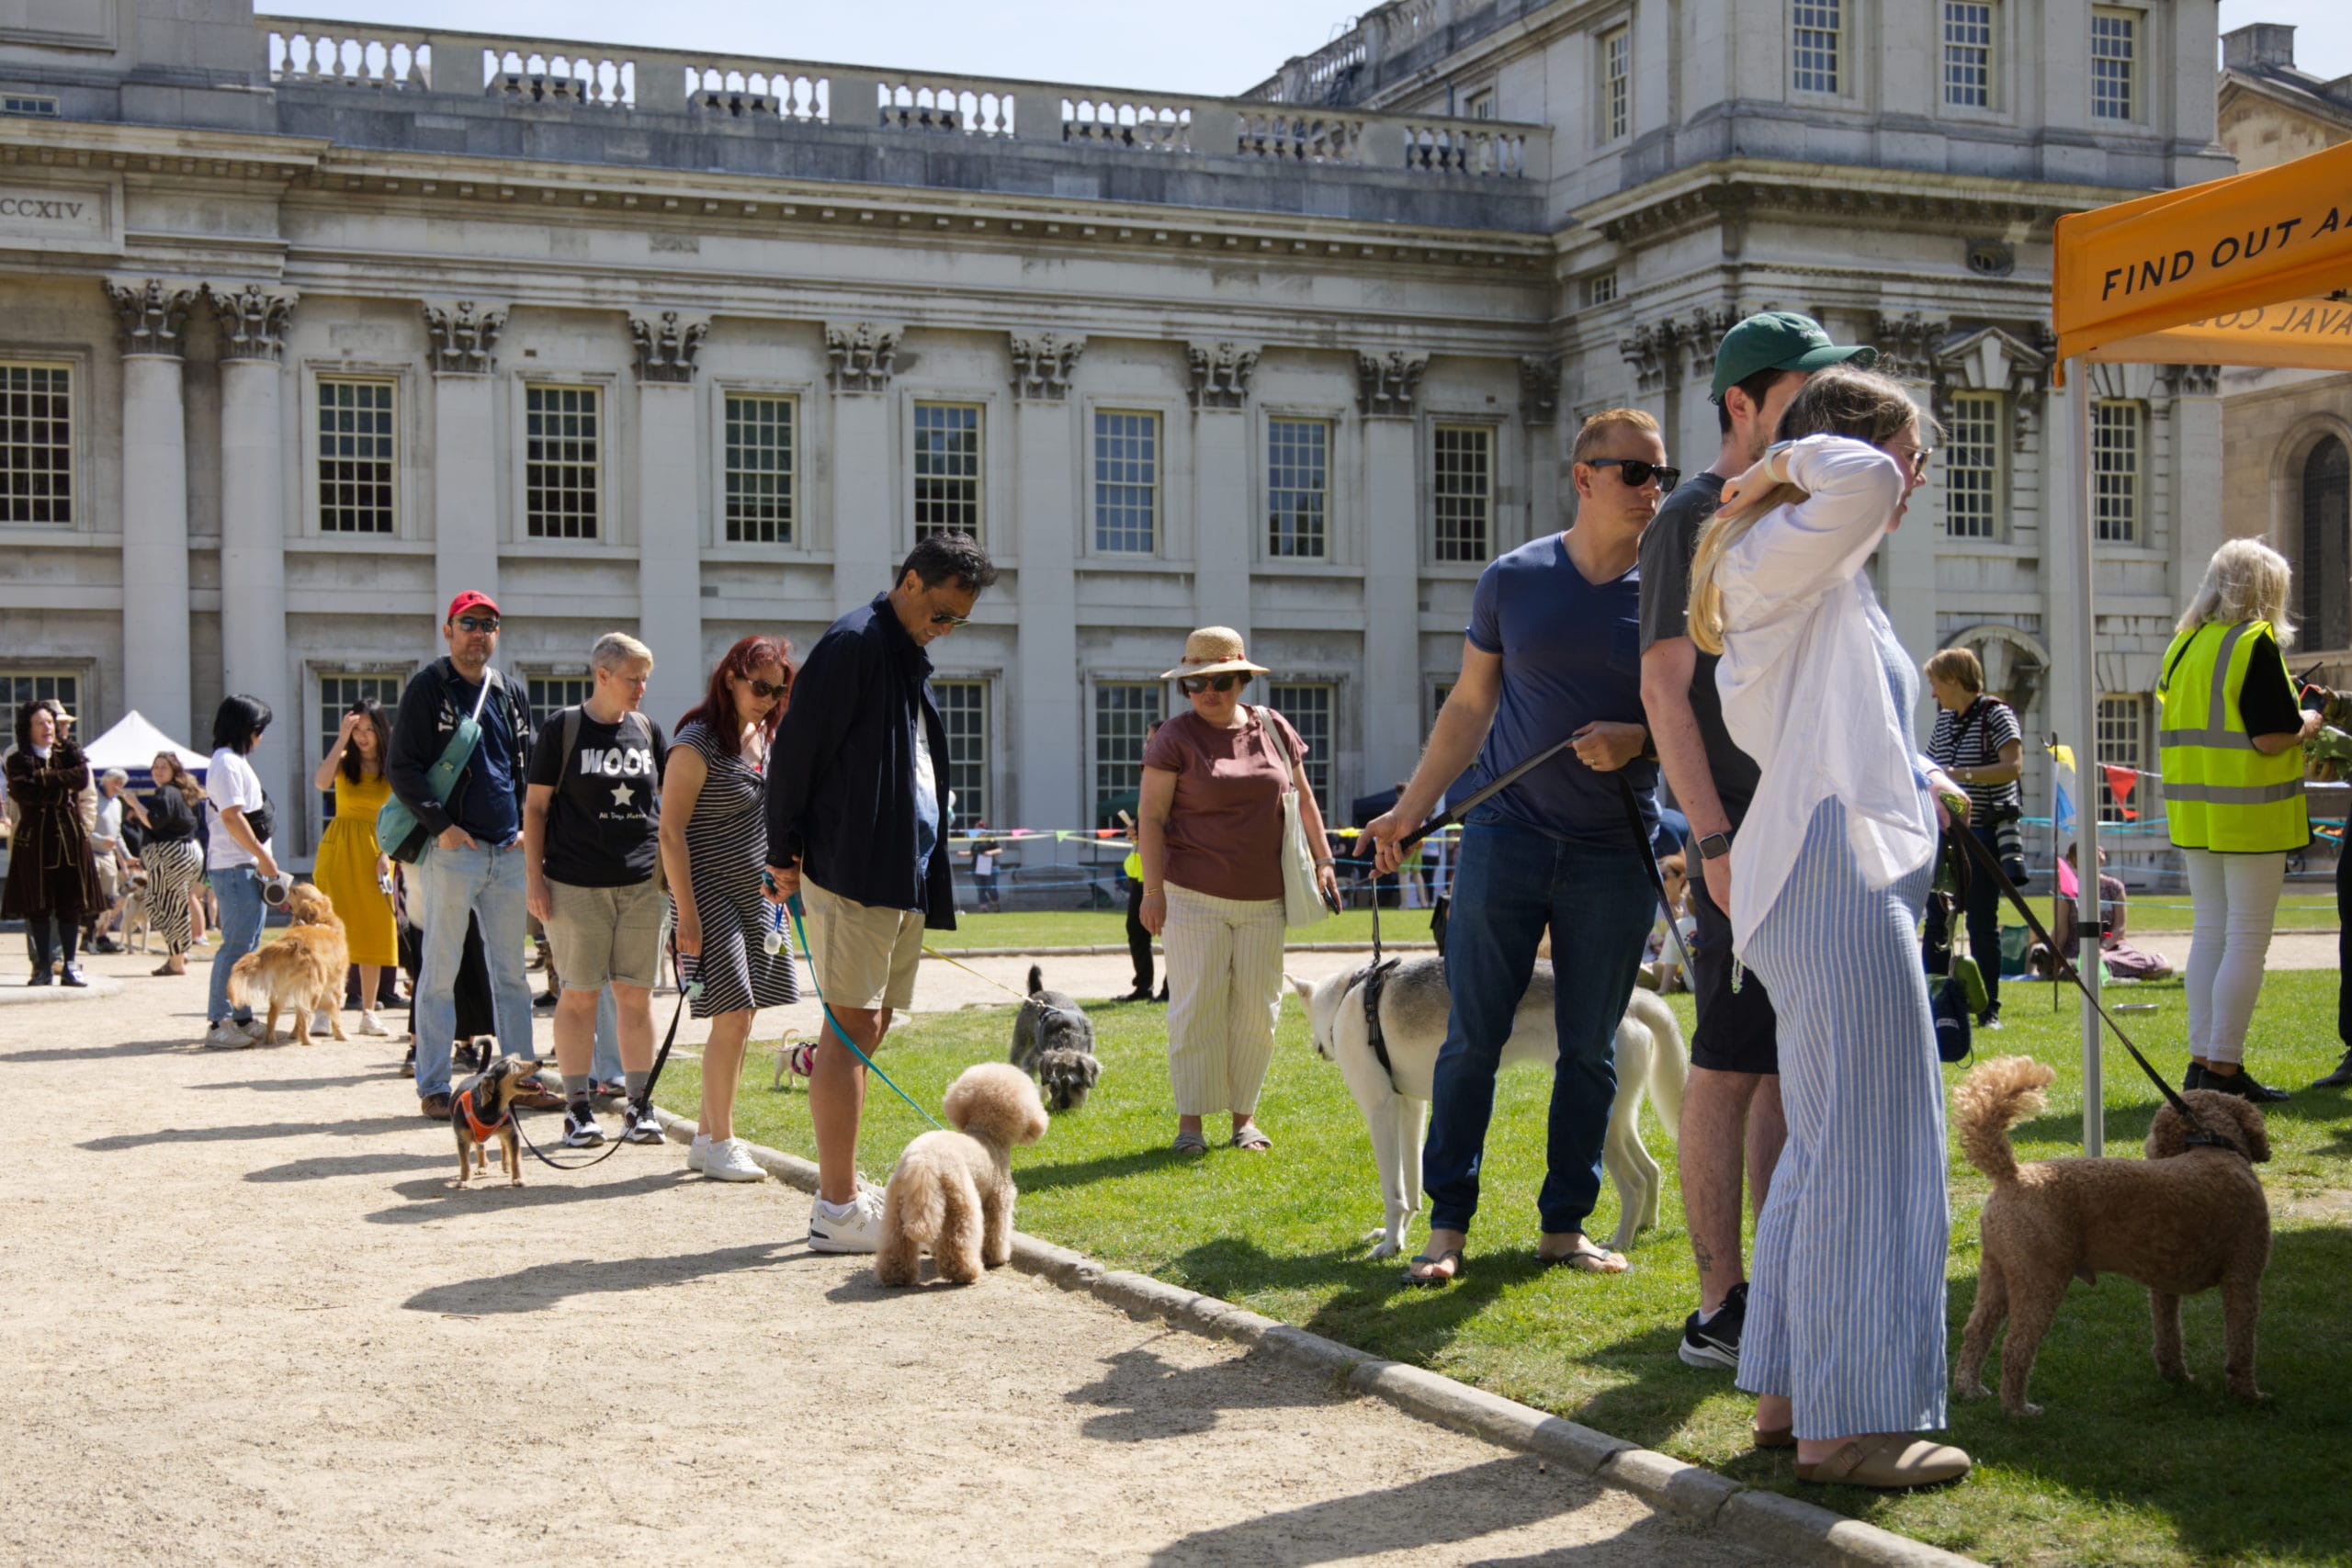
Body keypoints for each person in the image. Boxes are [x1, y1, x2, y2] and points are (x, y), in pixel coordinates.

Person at [1688, 364, 1971, 1488]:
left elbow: (1828, 715)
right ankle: (1844, 1431)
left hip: (1831, 867)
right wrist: (1786, 458)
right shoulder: (1791, 534)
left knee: (1825, 1144)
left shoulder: (1809, 563)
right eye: (1911, 453)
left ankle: (1792, 1396)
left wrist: (1914, 776)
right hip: (1830, 877)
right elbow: (1851, 476)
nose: (1909, 479)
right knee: (1872, 1147)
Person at [1366, 408, 1666, 1283]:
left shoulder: (1672, 592)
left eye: (1660, 474)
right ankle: (1447, 1228)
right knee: (1471, 1039)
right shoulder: (1513, 578)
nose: (1653, 489)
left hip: (1616, 848)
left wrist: (1638, 737)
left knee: (1590, 1045)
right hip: (1507, 835)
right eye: (1635, 472)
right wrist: (1408, 810)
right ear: (1584, 477)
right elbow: (1467, 706)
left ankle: (1563, 1226)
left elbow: (1707, 714)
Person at [1641, 311, 1871, 1369]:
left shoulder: (1800, 506)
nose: (1822, 406)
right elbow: (1663, 689)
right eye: (1799, 391)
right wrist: (1715, 836)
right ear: (1742, 402)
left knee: (1788, 1068)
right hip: (1745, 844)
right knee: (1729, 1066)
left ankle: (1775, 1281)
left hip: (1817, 843)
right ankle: (1714, 1303)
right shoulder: (1691, 514)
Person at [766, 532, 997, 1250]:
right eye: (941, 612)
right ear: (909, 581)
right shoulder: (855, 643)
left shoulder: (903, 654)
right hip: (854, 867)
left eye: (958, 619)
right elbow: (794, 754)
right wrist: (781, 850)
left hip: (901, 868)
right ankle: (835, 1210)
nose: (946, 628)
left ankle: (843, 1191)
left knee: (869, 1027)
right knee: (846, 1028)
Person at [1137, 627, 1340, 1155]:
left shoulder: (1273, 727)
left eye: (1220, 681)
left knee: (1256, 1010)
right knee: (1195, 1007)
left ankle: (1244, 1121)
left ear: (1242, 679)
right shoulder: (1174, 738)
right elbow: (1152, 819)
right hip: (1191, 894)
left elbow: (1304, 799)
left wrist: (1323, 859)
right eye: (1194, 684)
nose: (1207, 693)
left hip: (1265, 899)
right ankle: (1190, 1127)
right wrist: (1152, 891)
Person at [2159, 538, 2319, 1104]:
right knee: (2247, 940)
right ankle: (2223, 1068)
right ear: (2266, 589)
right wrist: (2311, 719)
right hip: (2250, 813)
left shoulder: (2183, 645)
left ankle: (2203, 1062)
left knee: (2210, 934)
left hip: (2195, 812)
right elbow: (2272, 735)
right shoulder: (2255, 642)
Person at [388, 591, 551, 1118]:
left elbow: (524, 767)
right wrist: (443, 825)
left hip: (506, 850)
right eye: (469, 623)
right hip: (453, 851)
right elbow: (402, 767)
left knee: (511, 975)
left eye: (489, 624)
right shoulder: (428, 688)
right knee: (439, 971)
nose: (479, 633)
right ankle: (433, 1085)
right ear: (448, 630)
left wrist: (527, 831)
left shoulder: (509, 692)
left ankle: (521, 1077)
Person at [525, 632, 671, 1150]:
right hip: (575, 884)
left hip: (641, 886)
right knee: (580, 996)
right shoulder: (562, 729)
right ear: (602, 676)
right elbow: (536, 808)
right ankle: (577, 1109)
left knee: (635, 995)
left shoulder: (648, 730)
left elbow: (665, 808)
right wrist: (534, 879)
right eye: (633, 678)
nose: (642, 688)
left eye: (645, 678)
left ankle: (638, 1105)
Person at [663, 634, 797, 1181]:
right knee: (733, 1014)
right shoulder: (697, 742)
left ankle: (704, 1135)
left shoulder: (764, 740)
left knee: (742, 1018)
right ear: (729, 679)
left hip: (755, 896)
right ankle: (722, 1140)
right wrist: (687, 916)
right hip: (706, 893)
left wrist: (783, 878)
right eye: (759, 685)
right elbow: (670, 833)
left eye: (778, 689)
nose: (768, 698)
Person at [1923, 646, 2024, 1030]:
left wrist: (1957, 775)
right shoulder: (1944, 722)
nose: (1933, 693)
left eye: (1935, 684)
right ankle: (1933, 1003)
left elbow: (2012, 767)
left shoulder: (1997, 714)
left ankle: (1989, 1009)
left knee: (1982, 922)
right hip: (1946, 835)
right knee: (1936, 922)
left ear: (1953, 679)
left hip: (1982, 833)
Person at [311, 696, 399, 1037]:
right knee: (331, 931)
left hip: (377, 849)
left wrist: (387, 852)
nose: (363, 736)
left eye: (368, 729)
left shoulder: (394, 766)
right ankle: (324, 1010)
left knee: (374, 928)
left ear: (380, 730)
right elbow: (320, 782)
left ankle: (368, 1010)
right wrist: (341, 738)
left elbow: (401, 814)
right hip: (339, 846)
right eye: (356, 729)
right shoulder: (344, 760)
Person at [3, 699, 102, 987]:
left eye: (51, 722)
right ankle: (43, 966)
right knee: (38, 903)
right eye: (41, 723)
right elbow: (23, 792)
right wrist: (61, 787)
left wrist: (44, 778)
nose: (49, 727)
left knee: (70, 902)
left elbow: (81, 779)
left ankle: (70, 964)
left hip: (70, 836)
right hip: (34, 838)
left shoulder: (69, 750)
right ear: (28, 727)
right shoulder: (17, 757)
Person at [201, 694, 279, 1044]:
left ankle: (241, 1016)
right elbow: (231, 817)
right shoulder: (226, 763)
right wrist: (262, 856)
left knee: (246, 947)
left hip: (243, 865)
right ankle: (219, 1022)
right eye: (259, 730)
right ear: (248, 729)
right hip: (236, 865)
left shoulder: (231, 761)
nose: (261, 738)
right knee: (235, 947)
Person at [138, 751, 208, 976]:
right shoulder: (181, 792)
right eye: (155, 766)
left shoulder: (166, 792)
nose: (158, 771)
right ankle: (180, 953)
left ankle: (177, 960)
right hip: (186, 853)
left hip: (172, 854)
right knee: (172, 905)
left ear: (173, 771)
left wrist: (134, 804)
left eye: (163, 767)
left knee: (167, 907)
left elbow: (154, 821)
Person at [85, 767, 137, 953]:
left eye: (122, 783)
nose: (119, 786)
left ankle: (101, 936)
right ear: (106, 780)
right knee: (93, 898)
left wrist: (128, 855)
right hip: (91, 853)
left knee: (110, 899)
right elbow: (84, 828)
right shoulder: (94, 800)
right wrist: (101, 839)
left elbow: (118, 834)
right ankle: (88, 936)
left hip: (108, 856)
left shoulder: (118, 804)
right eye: (116, 781)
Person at [971, 838, 1002, 913]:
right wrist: (963, 853)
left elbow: (999, 850)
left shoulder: (991, 839)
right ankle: (983, 908)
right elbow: (972, 852)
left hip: (990, 865)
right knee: (980, 889)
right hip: (976, 866)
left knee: (991, 888)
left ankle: (996, 905)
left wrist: (990, 852)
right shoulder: (976, 840)